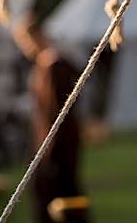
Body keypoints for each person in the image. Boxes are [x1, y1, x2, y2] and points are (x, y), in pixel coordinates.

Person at [12, 13, 89, 223]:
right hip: (47, 143)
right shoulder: (45, 65)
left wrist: (51, 152)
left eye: (25, 41)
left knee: (61, 195)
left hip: (57, 145)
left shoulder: (55, 65)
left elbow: (57, 113)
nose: (25, 48)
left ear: (37, 36)